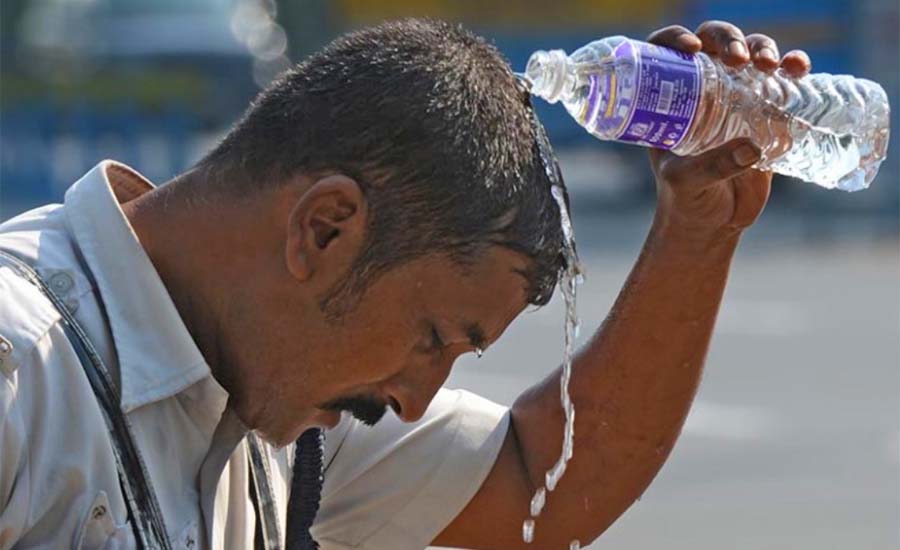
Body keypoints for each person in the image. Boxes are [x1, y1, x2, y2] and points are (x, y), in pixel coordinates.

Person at [0, 17, 812, 550]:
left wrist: (698, 234)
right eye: (432, 339)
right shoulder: (22, 372)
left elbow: (545, 485)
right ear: (324, 228)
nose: (417, 398)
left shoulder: (279, 399)